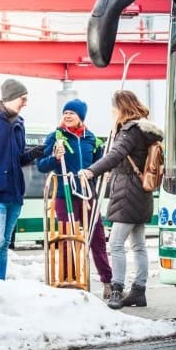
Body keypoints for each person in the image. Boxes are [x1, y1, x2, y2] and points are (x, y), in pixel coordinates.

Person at [78, 90, 164, 310]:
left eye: (113, 108)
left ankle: (116, 290)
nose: (112, 112)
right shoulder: (146, 131)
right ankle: (139, 290)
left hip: (127, 194)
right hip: (143, 194)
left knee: (116, 243)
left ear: (121, 108)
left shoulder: (128, 131)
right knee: (138, 246)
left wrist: (91, 171)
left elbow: (114, 155)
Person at [35, 99, 113, 297]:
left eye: (72, 113)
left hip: (87, 196)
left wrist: (104, 172)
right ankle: (70, 281)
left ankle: (107, 282)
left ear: (81, 117)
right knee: (67, 238)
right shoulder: (56, 136)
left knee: (97, 239)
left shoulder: (91, 139)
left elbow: (99, 166)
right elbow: (42, 165)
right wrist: (55, 158)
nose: (68, 116)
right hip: (64, 195)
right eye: (65, 112)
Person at [0, 78, 43, 280]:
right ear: (10, 97)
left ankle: (0, 283)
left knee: (4, 243)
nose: (25, 103)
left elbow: (18, 158)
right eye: (23, 98)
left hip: (14, 194)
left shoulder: (20, 124)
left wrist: (36, 152)